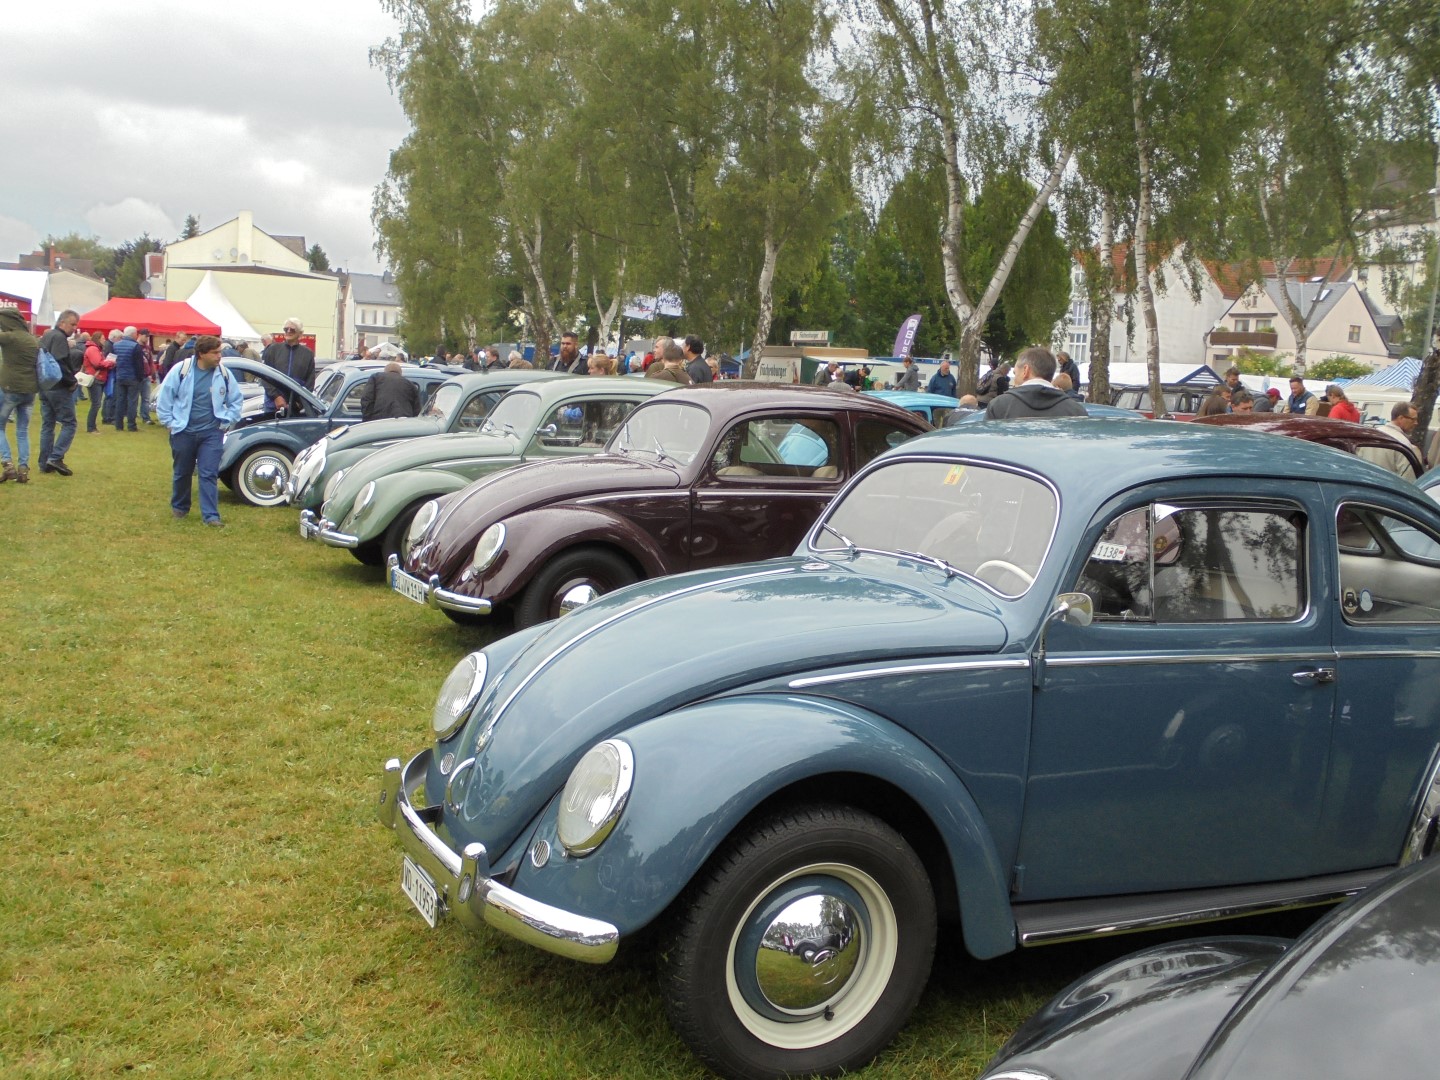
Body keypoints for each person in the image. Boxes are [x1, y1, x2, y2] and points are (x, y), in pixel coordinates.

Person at [156, 334, 244, 526]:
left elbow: (236, 400)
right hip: (183, 431)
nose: (219, 356)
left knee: (209, 473)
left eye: (219, 352)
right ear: (201, 354)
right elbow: (165, 397)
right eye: (215, 353)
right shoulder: (182, 370)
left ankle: (211, 516)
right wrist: (170, 423)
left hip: (212, 432)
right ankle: (180, 506)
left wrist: (226, 420)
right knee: (182, 472)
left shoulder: (224, 374)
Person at [984, 346, 1088, 420]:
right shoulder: (1077, 411)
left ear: (1025, 370)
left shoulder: (998, 406)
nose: (1014, 379)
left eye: (1015, 373)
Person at [36, 309, 81, 475]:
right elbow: (60, 363)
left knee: (48, 424)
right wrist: (72, 381)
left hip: (45, 385)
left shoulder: (47, 336)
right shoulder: (59, 337)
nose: (74, 328)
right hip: (58, 386)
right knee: (69, 423)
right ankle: (55, 457)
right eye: (72, 324)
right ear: (62, 323)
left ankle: (44, 462)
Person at [0, 305, 40, 483]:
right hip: (30, 390)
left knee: (0, 427)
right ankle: (23, 469)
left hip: (10, 388)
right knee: (22, 430)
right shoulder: (32, 339)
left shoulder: (9, 337)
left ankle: (8, 464)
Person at [261, 318, 316, 412]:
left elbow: (310, 382)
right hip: (272, 405)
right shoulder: (273, 349)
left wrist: (300, 403)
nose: (289, 331)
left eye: (292, 329)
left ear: (300, 333)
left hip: (295, 407)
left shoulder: (308, 354)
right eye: (286, 329)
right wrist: (276, 397)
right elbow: (265, 376)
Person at [1356, 402, 1420, 480]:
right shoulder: (1403, 443)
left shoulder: (1371, 435)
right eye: (1413, 419)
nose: (1416, 423)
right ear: (1401, 418)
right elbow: (1408, 478)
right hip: (1387, 489)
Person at [110, 325, 148, 433]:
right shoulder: (135, 346)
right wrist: (140, 377)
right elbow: (139, 365)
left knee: (120, 400)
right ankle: (131, 425)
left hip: (120, 376)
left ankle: (119, 425)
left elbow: (112, 360)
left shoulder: (116, 345)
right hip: (132, 377)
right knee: (132, 401)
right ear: (133, 334)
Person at [82, 331, 114, 433]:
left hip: (98, 378)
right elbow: (97, 363)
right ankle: (91, 427)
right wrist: (110, 362)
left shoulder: (95, 349)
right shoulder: (93, 349)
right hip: (96, 378)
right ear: (98, 339)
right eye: (103, 339)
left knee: (96, 404)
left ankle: (92, 426)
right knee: (96, 404)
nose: (104, 340)